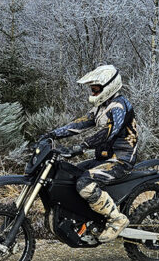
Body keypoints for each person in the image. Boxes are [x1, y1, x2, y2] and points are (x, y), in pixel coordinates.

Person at [44, 65, 139, 243]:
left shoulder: (119, 106)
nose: (93, 92)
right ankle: (84, 220)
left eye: (96, 89)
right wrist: (53, 134)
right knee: (69, 175)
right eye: (92, 89)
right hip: (103, 158)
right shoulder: (101, 107)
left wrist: (82, 146)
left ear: (109, 86)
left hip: (121, 160)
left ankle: (117, 219)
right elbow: (80, 123)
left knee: (85, 182)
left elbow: (109, 131)